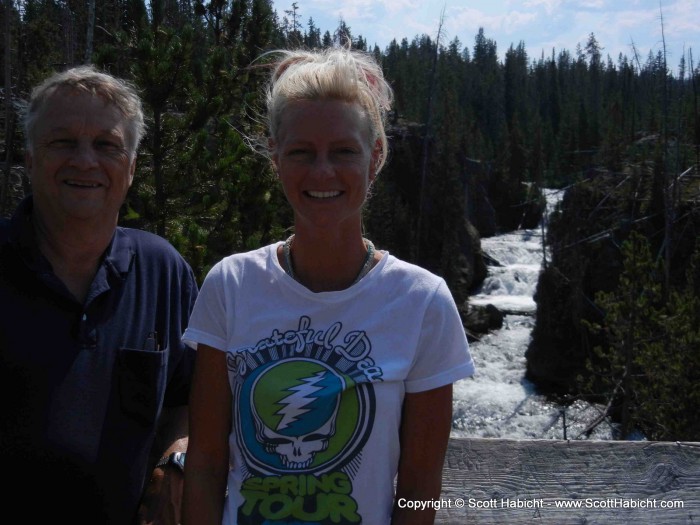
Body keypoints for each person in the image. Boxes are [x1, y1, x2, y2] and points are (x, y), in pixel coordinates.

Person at [182, 47, 475, 525]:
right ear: (275, 155)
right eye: (301, 152)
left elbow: (420, 486)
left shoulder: (422, 301)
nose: (323, 172)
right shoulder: (230, 285)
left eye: (343, 151)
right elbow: (207, 464)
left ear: (374, 156)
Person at [0, 66, 198, 524]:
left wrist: (176, 460)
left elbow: (189, 399)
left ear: (129, 167)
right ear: (29, 159)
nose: (85, 161)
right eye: (63, 142)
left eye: (106, 145)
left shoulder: (162, 270)